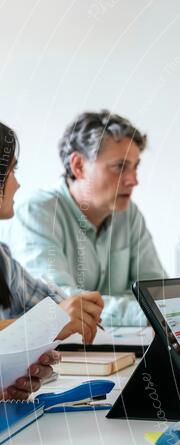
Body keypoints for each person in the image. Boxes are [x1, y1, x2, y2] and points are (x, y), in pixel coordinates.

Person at [10, 110, 166, 327]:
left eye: (135, 167)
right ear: (79, 166)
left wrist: (159, 307)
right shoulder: (37, 212)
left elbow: (158, 292)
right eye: (120, 167)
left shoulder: (129, 215)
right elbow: (60, 302)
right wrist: (149, 311)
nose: (133, 180)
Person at [1, 121, 99, 399]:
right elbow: (58, 311)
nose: (17, 184)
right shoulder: (40, 209)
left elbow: (58, 301)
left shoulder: (2, 260)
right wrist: (49, 322)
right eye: (11, 171)